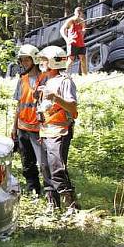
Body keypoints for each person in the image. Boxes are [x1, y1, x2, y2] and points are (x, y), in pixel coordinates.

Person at [36, 45, 79, 213]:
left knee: (57, 169)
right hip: (45, 131)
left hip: (59, 132)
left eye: (44, 60)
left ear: (53, 62)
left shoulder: (65, 81)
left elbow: (73, 108)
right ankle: (52, 206)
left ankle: (71, 207)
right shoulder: (48, 81)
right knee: (45, 170)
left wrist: (54, 97)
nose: (41, 63)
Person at [10, 44, 48, 197]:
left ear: (34, 60)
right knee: (27, 163)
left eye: (27, 60)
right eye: (22, 60)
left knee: (44, 164)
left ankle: (50, 193)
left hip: (39, 129)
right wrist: (14, 128)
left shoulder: (44, 78)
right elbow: (19, 105)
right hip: (23, 128)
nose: (24, 63)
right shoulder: (22, 80)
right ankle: (33, 191)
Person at [60, 7, 87, 75]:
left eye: (79, 13)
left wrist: (82, 32)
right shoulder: (71, 21)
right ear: (75, 13)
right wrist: (66, 39)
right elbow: (62, 30)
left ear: (81, 14)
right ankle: (65, 74)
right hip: (72, 43)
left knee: (83, 59)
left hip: (81, 43)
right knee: (71, 60)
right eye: (77, 12)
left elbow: (84, 30)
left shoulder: (82, 21)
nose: (78, 14)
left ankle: (85, 75)